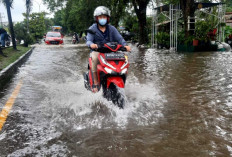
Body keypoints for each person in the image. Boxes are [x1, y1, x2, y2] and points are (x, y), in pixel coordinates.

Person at [86, 6, 131, 93]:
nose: (103, 19)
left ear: (107, 18)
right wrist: (92, 44)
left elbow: (120, 39)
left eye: (104, 17)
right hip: (98, 51)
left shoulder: (112, 28)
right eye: (100, 17)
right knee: (94, 58)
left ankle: (122, 77)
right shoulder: (92, 29)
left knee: (124, 58)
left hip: (111, 51)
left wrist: (126, 46)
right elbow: (88, 40)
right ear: (96, 18)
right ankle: (96, 82)